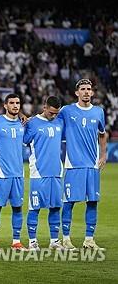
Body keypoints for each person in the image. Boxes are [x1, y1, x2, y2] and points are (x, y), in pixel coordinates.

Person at [60, 79, 107, 249]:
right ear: (76, 93)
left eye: (89, 89)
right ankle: (65, 239)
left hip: (92, 165)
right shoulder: (66, 110)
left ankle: (89, 240)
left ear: (92, 93)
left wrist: (103, 154)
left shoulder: (98, 112)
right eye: (83, 89)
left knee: (93, 202)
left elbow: (102, 134)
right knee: (69, 202)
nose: (86, 92)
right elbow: (50, 119)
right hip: (73, 164)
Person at [23, 96, 65, 251]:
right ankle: (32, 242)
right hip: (38, 172)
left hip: (56, 172)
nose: (53, 116)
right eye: (51, 112)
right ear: (44, 107)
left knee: (55, 207)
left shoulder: (60, 122)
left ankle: (54, 241)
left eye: (56, 113)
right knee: (35, 208)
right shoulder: (32, 123)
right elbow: (21, 141)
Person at [0, 93, 25, 250]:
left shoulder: (24, 124)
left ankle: (16, 241)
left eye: (17, 103)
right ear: (5, 105)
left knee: (17, 207)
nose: (15, 105)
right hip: (1, 172)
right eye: (12, 103)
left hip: (18, 173)